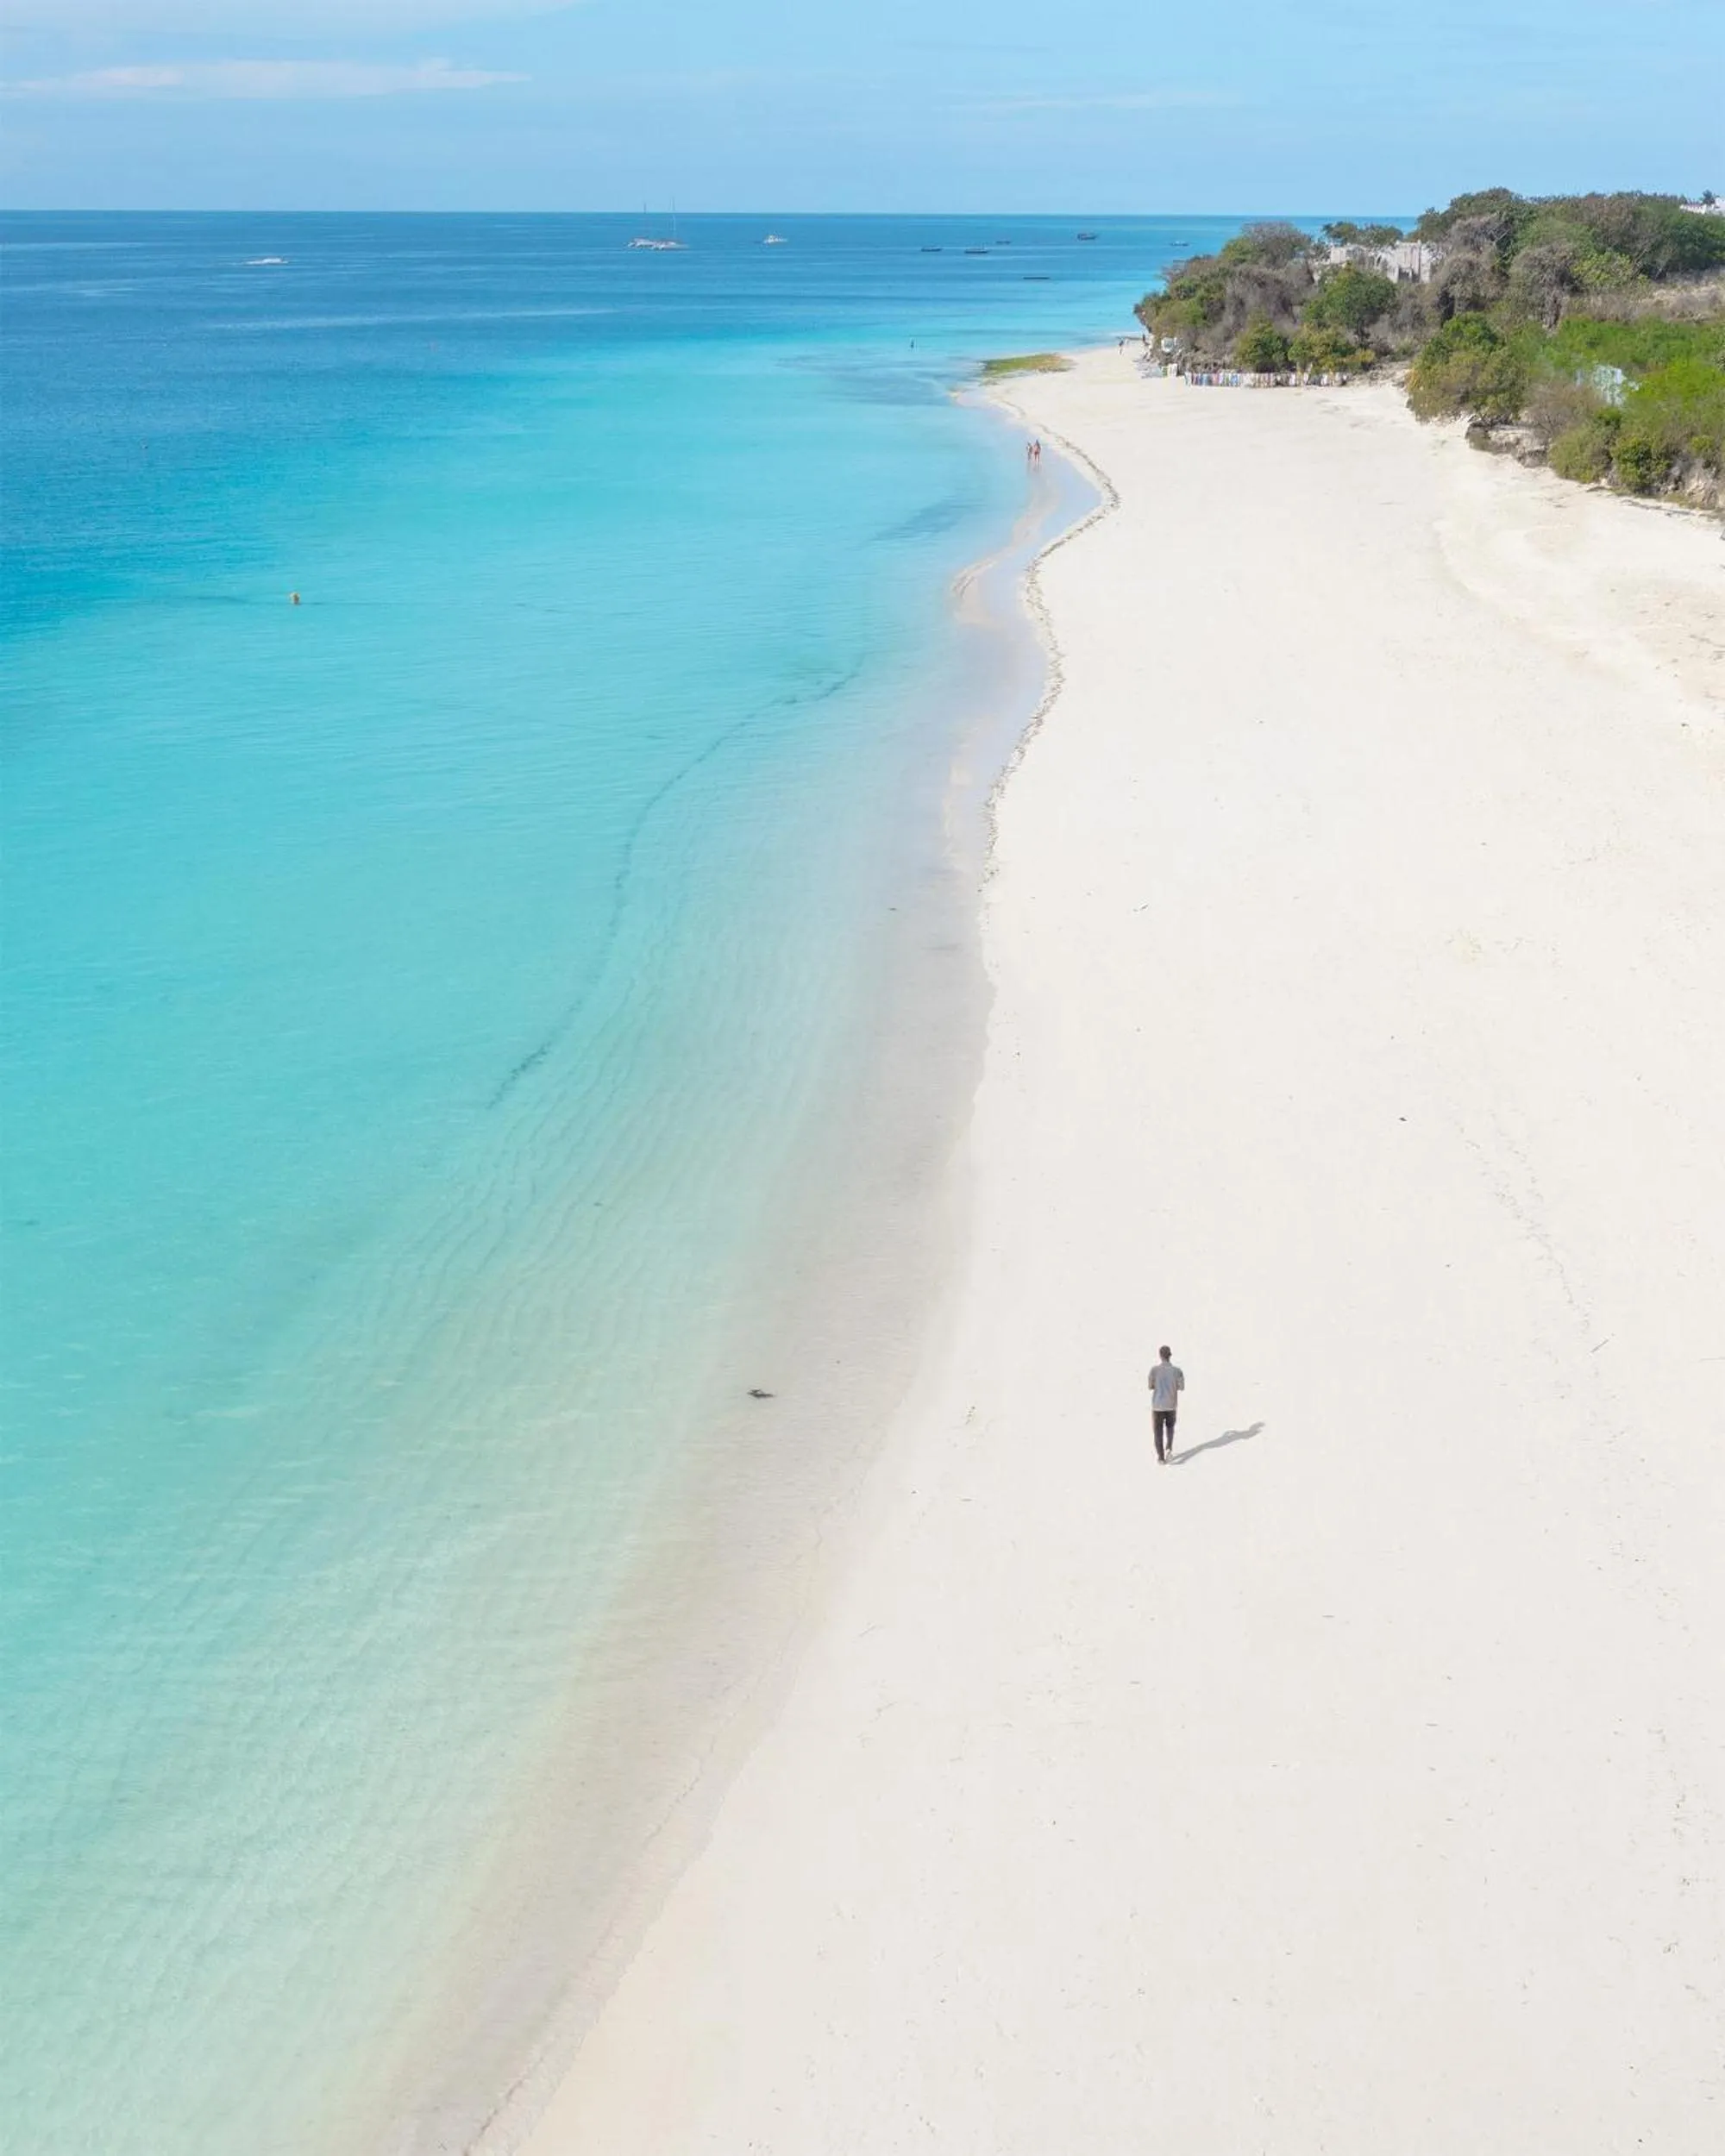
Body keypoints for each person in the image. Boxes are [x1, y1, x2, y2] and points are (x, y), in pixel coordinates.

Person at [1148, 1344, 1184, 1463]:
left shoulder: (1154, 1370)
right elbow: (1181, 1387)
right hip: (1171, 1404)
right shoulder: (1177, 1371)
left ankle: (1161, 1457)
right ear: (1170, 1356)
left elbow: (1150, 1386)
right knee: (1170, 1427)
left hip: (1158, 1405)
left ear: (1160, 1356)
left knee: (1158, 1431)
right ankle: (1169, 1447)